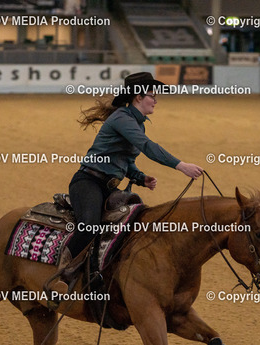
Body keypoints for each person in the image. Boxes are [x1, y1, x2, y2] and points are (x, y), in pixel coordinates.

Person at [46, 72, 203, 296]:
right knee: (89, 225)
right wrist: (181, 165)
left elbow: (125, 160)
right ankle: (60, 275)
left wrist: (139, 177)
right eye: (152, 95)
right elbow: (147, 147)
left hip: (108, 187)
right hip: (88, 182)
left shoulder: (136, 124)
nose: (156, 100)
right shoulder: (122, 119)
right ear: (138, 97)